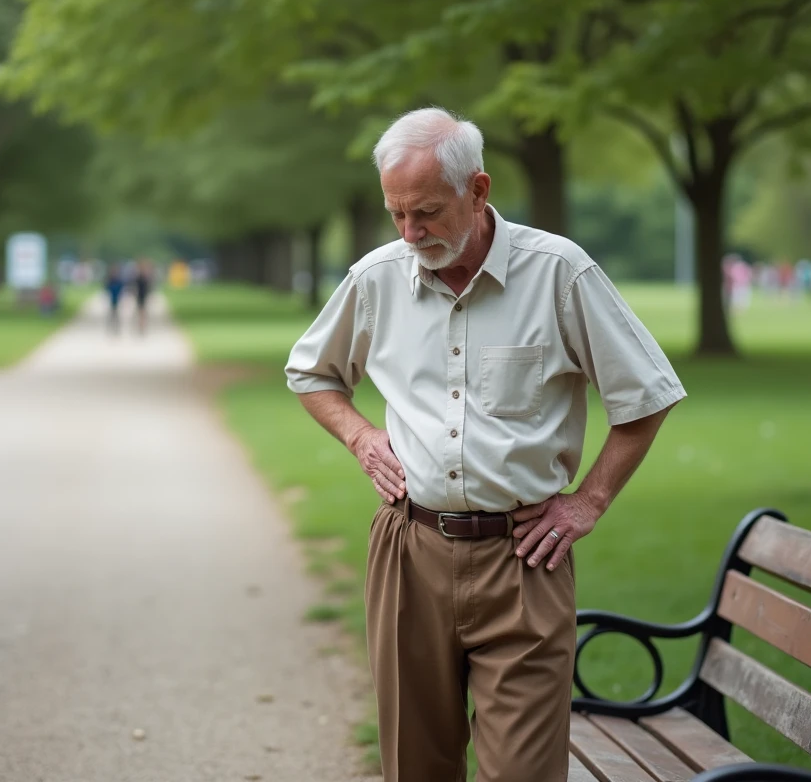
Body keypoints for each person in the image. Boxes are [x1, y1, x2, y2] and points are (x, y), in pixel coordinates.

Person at [285, 108, 685, 782]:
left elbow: (646, 395)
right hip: (410, 552)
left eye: (427, 212)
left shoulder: (559, 272)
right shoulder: (376, 278)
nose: (410, 233)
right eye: (396, 213)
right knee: (416, 767)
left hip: (523, 560)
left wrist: (588, 501)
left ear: (477, 190)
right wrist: (359, 435)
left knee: (523, 773)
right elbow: (311, 372)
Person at [133, 260, 152, 335]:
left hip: (142, 296)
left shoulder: (142, 278)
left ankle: (141, 325)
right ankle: (141, 325)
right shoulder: (141, 278)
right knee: (141, 312)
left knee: (142, 312)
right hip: (140, 296)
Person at [104, 264, 124, 334]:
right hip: (112, 298)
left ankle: (116, 327)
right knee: (112, 313)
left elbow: (121, 289)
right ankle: (111, 327)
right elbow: (107, 288)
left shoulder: (119, 280)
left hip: (118, 299)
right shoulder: (110, 280)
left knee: (117, 313)